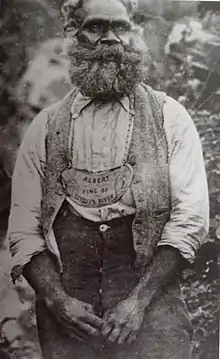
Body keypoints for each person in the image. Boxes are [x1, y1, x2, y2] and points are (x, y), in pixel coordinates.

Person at [7, 0, 209, 358]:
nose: (111, 40)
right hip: (69, 309)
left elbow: (190, 220)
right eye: (97, 28)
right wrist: (57, 301)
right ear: (73, 35)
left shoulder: (170, 119)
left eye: (121, 28)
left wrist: (138, 302)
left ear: (135, 34)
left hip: (150, 299)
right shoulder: (45, 128)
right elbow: (23, 229)